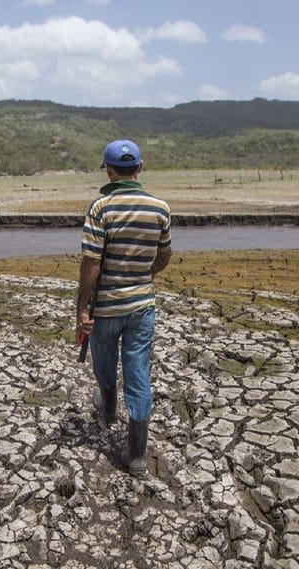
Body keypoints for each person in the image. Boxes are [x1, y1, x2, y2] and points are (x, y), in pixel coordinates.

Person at [76, 139, 172, 476]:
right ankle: (137, 455)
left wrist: (82, 309)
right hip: (141, 307)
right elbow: (164, 256)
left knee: (103, 361)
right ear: (140, 168)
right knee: (138, 371)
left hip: (106, 308)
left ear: (109, 171)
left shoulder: (101, 208)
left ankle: (108, 408)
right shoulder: (160, 208)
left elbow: (91, 263)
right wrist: (143, 276)